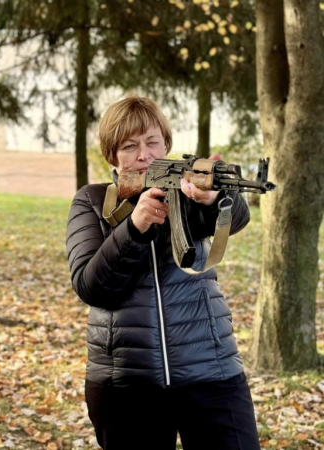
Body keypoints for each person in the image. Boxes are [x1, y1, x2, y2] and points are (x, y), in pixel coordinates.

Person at [66, 96, 260, 449]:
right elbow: (90, 286)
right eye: (130, 145)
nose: (145, 154)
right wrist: (133, 229)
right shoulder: (92, 201)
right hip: (125, 379)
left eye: (152, 141)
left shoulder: (188, 192)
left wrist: (216, 198)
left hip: (210, 366)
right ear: (112, 155)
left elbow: (237, 220)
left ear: (166, 144)